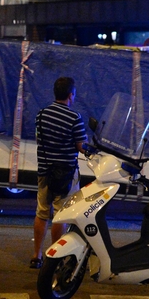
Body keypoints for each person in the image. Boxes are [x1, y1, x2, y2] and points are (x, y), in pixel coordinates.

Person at [30, 77, 86, 269]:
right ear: (71, 94)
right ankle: (54, 258)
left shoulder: (41, 114)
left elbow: (39, 139)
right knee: (60, 215)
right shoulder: (74, 117)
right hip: (65, 174)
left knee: (42, 212)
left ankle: (36, 255)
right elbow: (81, 147)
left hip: (45, 172)